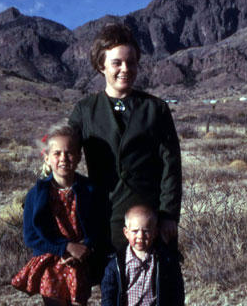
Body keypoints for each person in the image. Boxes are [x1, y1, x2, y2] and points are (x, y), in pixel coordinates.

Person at [68, 22, 182, 252]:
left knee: (155, 284)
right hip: (104, 215)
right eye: (116, 63)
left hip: (149, 220)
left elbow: (171, 165)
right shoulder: (85, 110)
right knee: (112, 282)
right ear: (101, 66)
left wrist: (169, 215)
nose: (125, 68)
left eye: (131, 62)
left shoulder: (155, 108)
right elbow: (64, 153)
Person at [11, 124, 104, 306]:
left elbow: (99, 225)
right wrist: (64, 247)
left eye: (70, 152)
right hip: (51, 267)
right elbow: (31, 236)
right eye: (57, 153)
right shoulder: (38, 192)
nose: (64, 158)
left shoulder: (89, 189)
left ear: (79, 156)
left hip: (79, 265)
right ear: (47, 157)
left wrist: (85, 247)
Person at [101, 205, 185, 306]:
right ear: (126, 232)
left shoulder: (164, 260)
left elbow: (176, 286)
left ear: (155, 233)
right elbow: (108, 290)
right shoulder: (116, 262)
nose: (140, 236)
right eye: (135, 231)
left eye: (146, 231)